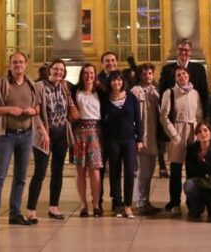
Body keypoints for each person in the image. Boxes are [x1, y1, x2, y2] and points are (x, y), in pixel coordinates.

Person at [0, 52, 48, 231]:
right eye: (15, 62)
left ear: (26, 65)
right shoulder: (0, 85)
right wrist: (8, 109)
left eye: (21, 62)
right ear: (9, 65)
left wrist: (32, 112)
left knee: (20, 177)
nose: (18, 65)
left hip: (26, 135)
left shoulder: (31, 85)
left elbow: (37, 108)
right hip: (7, 136)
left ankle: (15, 213)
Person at [28, 59, 73, 222]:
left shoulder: (64, 86)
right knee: (39, 173)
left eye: (61, 70)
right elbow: (35, 112)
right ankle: (31, 210)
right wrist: (43, 132)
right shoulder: (39, 86)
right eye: (56, 69)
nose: (58, 72)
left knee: (58, 173)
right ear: (49, 70)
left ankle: (54, 207)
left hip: (61, 135)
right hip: (44, 136)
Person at [160, 64, 203, 214]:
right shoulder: (169, 93)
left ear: (188, 76)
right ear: (175, 78)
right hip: (177, 131)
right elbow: (164, 116)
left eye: (184, 74)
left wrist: (198, 133)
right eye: (178, 75)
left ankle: (192, 202)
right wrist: (174, 134)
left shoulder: (195, 93)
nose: (182, 77)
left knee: (192, 169)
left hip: (192, 132)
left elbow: (199, 115)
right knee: (176, 170)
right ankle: (175, 202)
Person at [101, 70, 142, 218]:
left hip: (129, 140)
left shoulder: (131, 98)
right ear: (110, 83)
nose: (116, 82)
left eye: (119, 80)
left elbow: (138, 120)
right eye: (113, 80)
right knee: (115, 172)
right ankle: (117, 204)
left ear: (122, 81)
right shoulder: (105, 99)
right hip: (112, 141)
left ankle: (128, 205)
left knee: (130, 172)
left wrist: (140, 140)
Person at [72, 63, 104, 217]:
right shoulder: (75, 91)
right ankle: (83, 204)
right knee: (80, 170)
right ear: (82, 75)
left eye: (91, 73)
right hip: (79, 133)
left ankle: (96, 203)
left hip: (96, 133)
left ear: (95, 75)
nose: (89, 76)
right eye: (86, 73)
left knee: (95, 170)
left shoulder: (101, 92)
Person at [183, 120, 211, 222]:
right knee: (188, 185)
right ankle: (198, 207)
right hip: (199, 186)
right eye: (199, 132)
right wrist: (207, 176)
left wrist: (208, 177)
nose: (203, 134)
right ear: (196, 135)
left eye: (205, 130)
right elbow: (190, 173)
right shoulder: (191, 150)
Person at [131, 63, 161, 215]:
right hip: (141, 137)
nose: (147, 76)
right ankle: (141, 201)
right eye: (144, 74)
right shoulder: (135, 91)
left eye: (150, 73)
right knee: (142, 171)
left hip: (153, 137)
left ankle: (146, 200)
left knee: (149, 172)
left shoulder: (156, 92)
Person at [157, 38, 209, 116]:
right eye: (180, 49)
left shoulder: (199, 69)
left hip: (193, 114)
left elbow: (204, 94)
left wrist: (205, 116)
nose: (183, 52)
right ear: (176, 51)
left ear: (190, 52)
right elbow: (162, 93)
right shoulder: (167, 70)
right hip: (173, 114)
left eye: (186, 50)